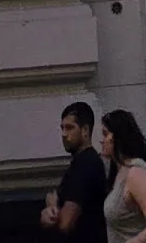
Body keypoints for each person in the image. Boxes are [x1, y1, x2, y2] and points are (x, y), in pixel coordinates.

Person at [98, 109, 146, 243]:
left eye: (105, 134)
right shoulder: (120, 171)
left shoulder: (136, 174)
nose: (101, 141)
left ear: (118, 138)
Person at [39, 101, 107, 240]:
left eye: (70, 128)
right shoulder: (83, 162)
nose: (64, 134)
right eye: (62, 128)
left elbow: (65, 224)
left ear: (85, 130)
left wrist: (52, 206)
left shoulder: (85, 165)